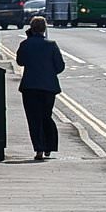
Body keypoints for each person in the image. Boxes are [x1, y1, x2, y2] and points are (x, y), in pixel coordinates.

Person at [16, 16, 66, 161]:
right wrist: (48, 73)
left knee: (34, 119)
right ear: (44, 29)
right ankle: (49, 147)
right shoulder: (51, 45)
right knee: (46, 116)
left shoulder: (25, 44)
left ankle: (39, 149)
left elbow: (20, 61)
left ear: (31, 28)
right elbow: (60, 66)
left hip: (30, 87)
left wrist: (28, 39)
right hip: (48, 87)